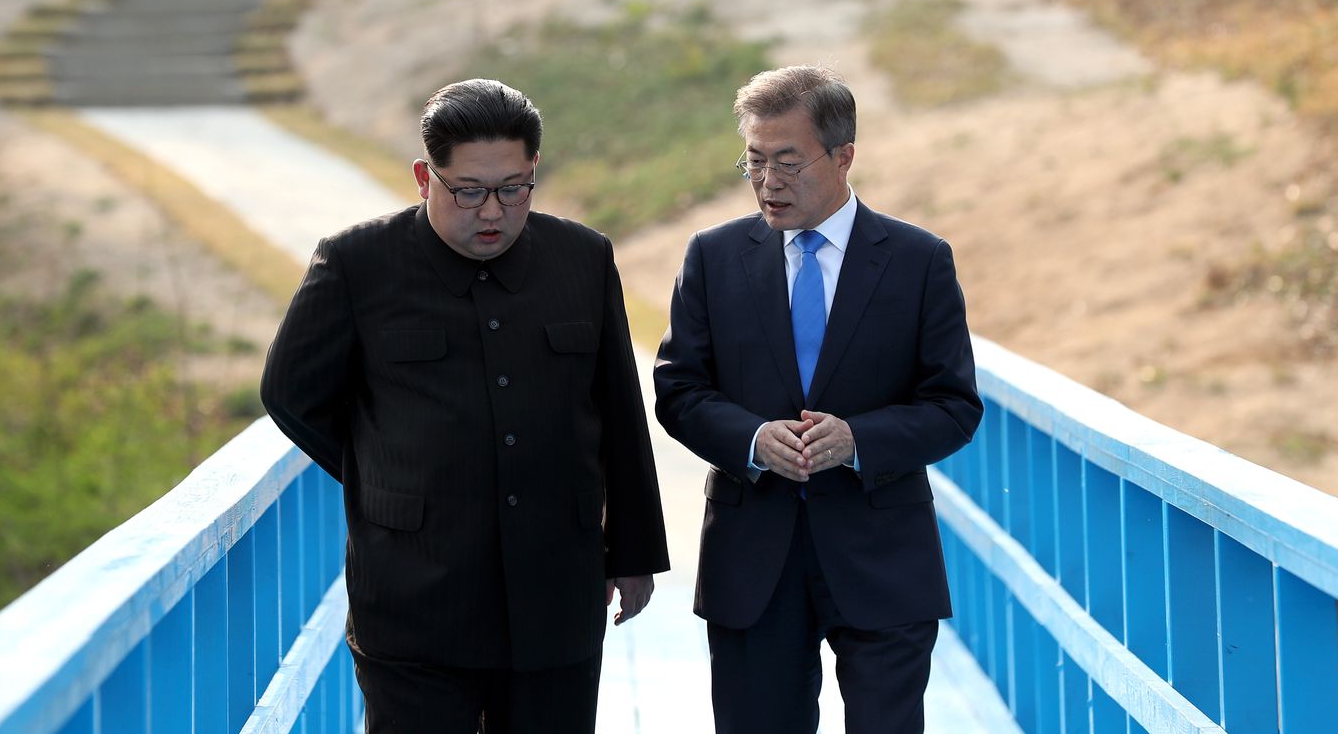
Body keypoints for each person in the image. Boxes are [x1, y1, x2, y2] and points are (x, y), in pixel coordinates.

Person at [260, 78, 668, 734]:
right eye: (469, 191)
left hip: (555, 588)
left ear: (534, 171)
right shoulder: (357, 263)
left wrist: (632, 551)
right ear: (426, 175)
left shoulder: (583, 259)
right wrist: (390, 472)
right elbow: (290, 394)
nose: (492, 212)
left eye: (513, 189)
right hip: (413, 592)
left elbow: (618, 411)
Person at [653, 65, 982, 734]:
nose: (769, 182)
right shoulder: (713, 258)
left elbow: (953, 405)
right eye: (754, 162)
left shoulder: (919, 260)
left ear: (843, 156)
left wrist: (858, 440)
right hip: (753, 563)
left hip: (882, 557)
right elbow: (678, 388)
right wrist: (751, 439)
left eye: (788, 162)